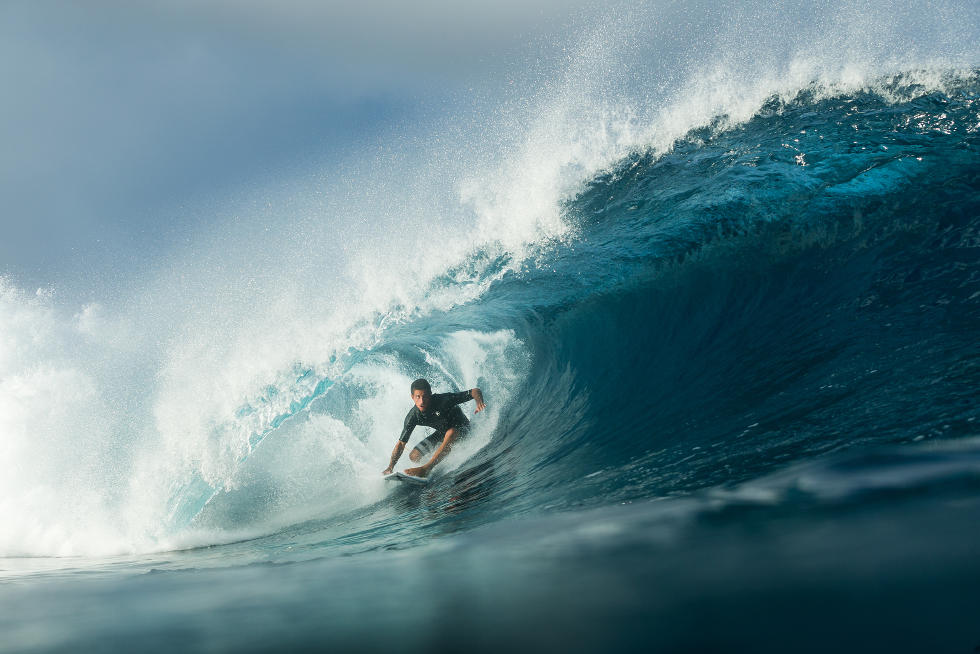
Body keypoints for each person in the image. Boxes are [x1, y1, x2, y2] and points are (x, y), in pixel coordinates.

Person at [383, 378, 486, 478]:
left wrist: (479, 402)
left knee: (451, 432)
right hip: (443, 432)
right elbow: (401, 444)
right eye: (418, 397)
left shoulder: (443, 400)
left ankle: (426, 468)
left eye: (425, 396)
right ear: (412, 397)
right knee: (414, 456)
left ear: (430, 395)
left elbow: (475, 391)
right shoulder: (413, 416)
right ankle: (432, 464)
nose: (422, 401)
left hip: (463, 430)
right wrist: (390, 467)